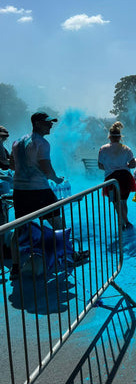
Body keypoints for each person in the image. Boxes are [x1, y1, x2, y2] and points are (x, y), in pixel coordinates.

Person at [9, 112, 65, 279]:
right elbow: (47, 170)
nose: (50, 125)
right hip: (39, 189)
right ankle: (67, 255)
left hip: (19, 190)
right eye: (47, 123)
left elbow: (12, 165)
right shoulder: (42, 143)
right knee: (57, 222)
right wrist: (57, 179)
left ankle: (15, 266)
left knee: (19, 228)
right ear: (37, 123)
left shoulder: (17, 141)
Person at [98, 121, 136, 229]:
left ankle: (123, 223)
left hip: (111, 178)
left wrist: (110, 167)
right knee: (123, 201)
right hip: (125, 177)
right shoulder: (126, 148)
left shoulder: (103, 149)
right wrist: (125, 165)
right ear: (120, 137)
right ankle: (126, 221)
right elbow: (133, 164)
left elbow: (100, 166)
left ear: (109, 137)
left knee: (115, 202)